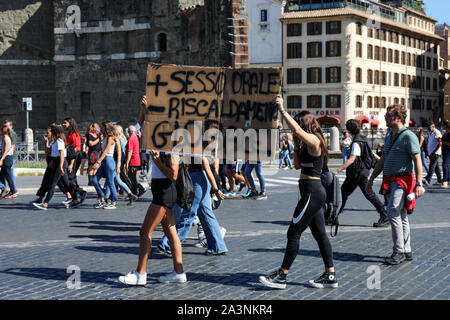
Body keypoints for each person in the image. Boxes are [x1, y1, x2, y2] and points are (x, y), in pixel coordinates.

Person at [259, 95, 338, 290]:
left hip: (312, 192)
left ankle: (282, 275)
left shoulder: (316, 141)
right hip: (310, 193)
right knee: (320, 235)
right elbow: (296, 166)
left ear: (306, 125)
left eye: (301, 125)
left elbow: (296, 129)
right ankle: (330, 274)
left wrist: (283, 110)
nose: (298, 129)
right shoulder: (306, 144)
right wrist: (295, 143)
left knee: (293, 233)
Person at [119, 96, 186, 285]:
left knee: (144, 232)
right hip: (161, 189)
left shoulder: (172, 141)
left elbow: (173, 174)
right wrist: (143, 108)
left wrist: (156, 161)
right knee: (171, 233)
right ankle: (179, 272)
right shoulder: (158, 136)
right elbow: (141, 127)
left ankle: (141, 274)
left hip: (165, 191)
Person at [366, 105, 424, 265]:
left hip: (402, 181)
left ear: (398, 117)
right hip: (391, 180)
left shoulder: (408, 136)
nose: (385, 117)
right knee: (401, 214)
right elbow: (383, 160)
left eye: (389, 115)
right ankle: (406, 249)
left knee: (393, 211)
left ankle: (398, 250)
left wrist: (419, 183)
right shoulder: (389, 136)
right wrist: (371, 179)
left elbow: (417, 159)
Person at [158, 155, 228, 256]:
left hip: (197, 180)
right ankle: (218, 247)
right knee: (205, 214)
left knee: (188, 214)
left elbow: (205, 163)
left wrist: (216, 188)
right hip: (197, 178)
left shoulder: (194, 145)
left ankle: (169, 245)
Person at [332, 119, 389, 228]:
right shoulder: (363, 138)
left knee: (343, 193)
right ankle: (384, 214)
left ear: (349, 130)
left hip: (356, 173)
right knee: (368, 194)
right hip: (362, 172)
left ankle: (333, 216)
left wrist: (337, 170)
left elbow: (352, 159)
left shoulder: (356, 142)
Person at [32, 124, 68, 210]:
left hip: (60, 162)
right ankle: (71, 197)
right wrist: (52, 161)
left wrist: (60, 166)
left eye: (49, 131)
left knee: (53, 184)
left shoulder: (59, 141)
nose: (47, 133)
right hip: (55, 161)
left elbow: (61, 154)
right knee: (59, 183)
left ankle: (45, 203)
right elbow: (50, 152)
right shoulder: (54, 141)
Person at [104, 125, 138, 205]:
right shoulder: (119, 139)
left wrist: (119, 165)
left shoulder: (121, 140)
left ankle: (105, 198)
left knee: (110, 180)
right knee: (117, 181)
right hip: (116, 162)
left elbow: (121, 154)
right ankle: (131, 195)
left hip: (117, 163)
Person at [91, 121, 121, 210]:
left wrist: (97, 162)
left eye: (102, 127)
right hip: (104, 160)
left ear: (106, 128)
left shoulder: (111, 138)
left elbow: (106, 151)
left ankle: (113, 202)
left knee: (110, 182)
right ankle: (102, 199)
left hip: (108, 160)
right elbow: (102, 150)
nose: (101, 128)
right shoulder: (105, 137)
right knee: (94, 180)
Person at [63, 117, 87, 208]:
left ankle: (75, 198)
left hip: (74, 157)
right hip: (71, 156)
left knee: (70, 178)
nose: (64, 124)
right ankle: (79, 193)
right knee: (71, 177)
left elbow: (76, 149)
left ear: (70, 123)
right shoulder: (70, 133)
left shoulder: (75, 134)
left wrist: (71, 163)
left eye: (65, 123)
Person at [124, 125, 146, 198]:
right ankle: (138, 189)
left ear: (128, 132)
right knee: (132, 177)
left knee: (132, 177)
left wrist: (127, 162)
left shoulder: (131, 139)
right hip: (136, 160)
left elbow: (130, 151)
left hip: (132, 161)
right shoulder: (136, 137)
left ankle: (137, 191)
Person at [0, 126, 18, 198]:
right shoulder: (6, 138)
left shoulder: (6, 138)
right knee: (2, 176)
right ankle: (4, 189)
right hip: (7, 158)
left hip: (7, 159)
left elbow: (6, 150)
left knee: (8, 177)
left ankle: (13, 191)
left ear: (3, 131)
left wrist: (1, 159)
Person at [441, 120, 450, 188]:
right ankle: (448, 179)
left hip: (448, 151)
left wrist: (442, 141)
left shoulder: (449, 133)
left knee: (445, 165)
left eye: (443, 125)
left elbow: (449, 143)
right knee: (446, 165)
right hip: (445, 151)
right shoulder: (445, 133)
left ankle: (445, 180)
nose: (442, 126)